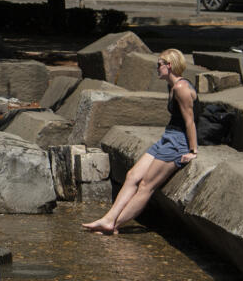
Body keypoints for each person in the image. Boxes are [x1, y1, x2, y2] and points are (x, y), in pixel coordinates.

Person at [83, 49, 199, 235]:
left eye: (159, 64)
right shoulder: (172, 85)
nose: (156, 68)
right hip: (168, 137)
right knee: (132, 176)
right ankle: (108, 218)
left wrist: (192, 150)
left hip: (178, 143)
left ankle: (115, 225)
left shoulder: (181, 88)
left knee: (146, 185)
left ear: (169, 65)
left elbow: (190, 121)